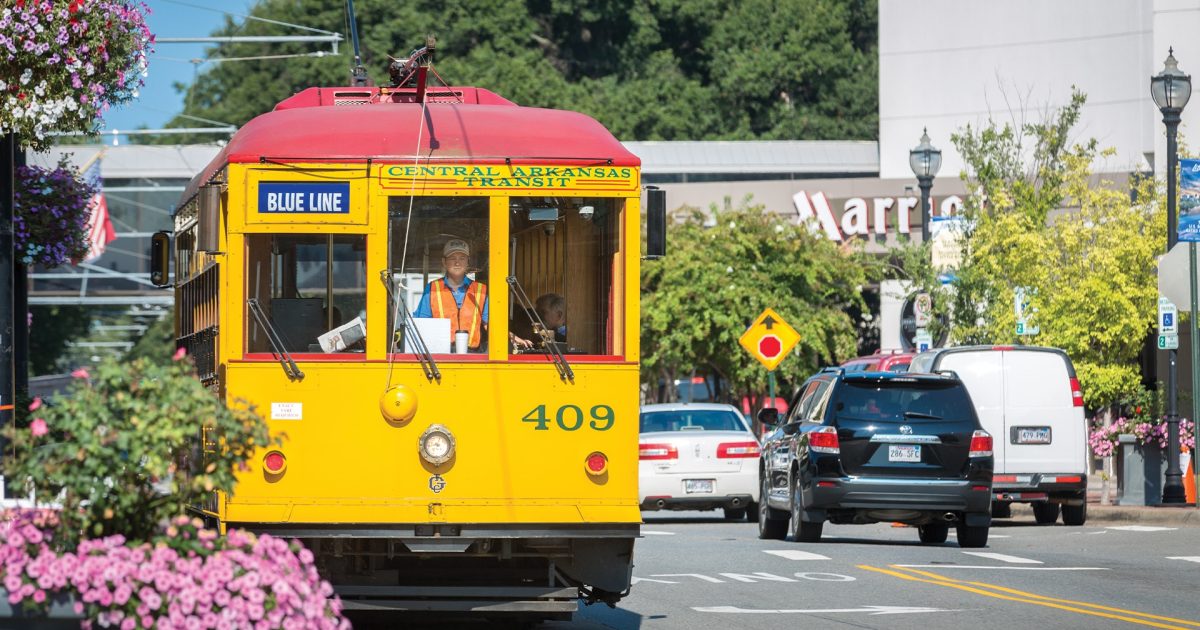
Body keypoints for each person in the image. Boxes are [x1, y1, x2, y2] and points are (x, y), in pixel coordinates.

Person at [413, 239, 531, 351]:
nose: (457, 262)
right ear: (444, 262)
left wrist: (513, 337)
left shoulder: (480, 290)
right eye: (452, 258)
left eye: (462, 258)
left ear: (468, 262)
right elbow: (423, 323)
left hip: (473, 355)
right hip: (440, 355)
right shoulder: (432, 288)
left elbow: (490, 324)